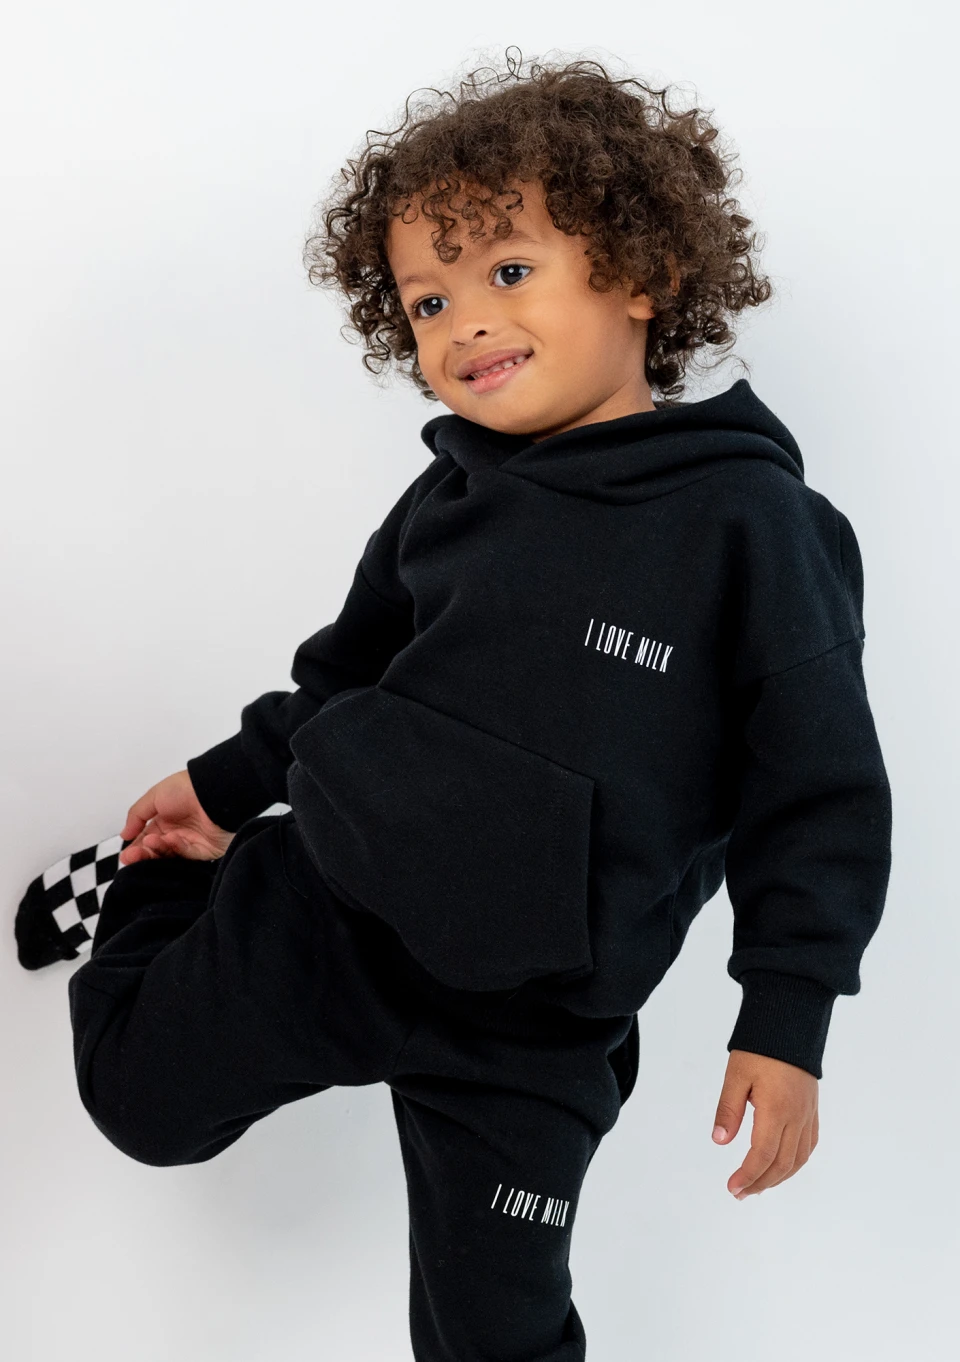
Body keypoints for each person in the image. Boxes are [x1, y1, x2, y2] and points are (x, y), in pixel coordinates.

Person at [16, 49, 892, 1362]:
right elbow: (340, 680)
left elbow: (817, 794)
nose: (464, 322)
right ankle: (157, 886)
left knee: (497, 1334)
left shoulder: (755, 529)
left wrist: (789, 1016)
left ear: (642, 271)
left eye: (509, 271)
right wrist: (217, 788)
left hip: (535, 1031)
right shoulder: (449, 502)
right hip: (334, 907)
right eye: (429, 300)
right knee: (140, 1104)